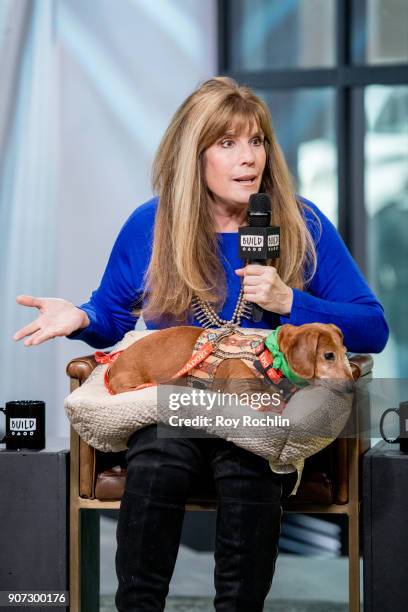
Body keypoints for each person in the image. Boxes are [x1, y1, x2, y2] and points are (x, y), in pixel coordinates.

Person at [13, 76, 388, 611]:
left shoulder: (302, 224)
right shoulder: (152, 224)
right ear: (195, 154)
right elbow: (110, 315)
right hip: (177, 406)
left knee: (247, 463)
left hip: (258, 410)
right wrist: (79, 316)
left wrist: (290, 303)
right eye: (228, 143)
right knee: (158, 460)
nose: (248, 158)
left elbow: (372, 326)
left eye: (256, 141)